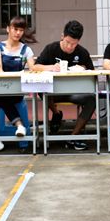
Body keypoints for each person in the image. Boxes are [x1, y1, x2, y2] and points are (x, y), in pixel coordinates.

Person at [32, 20, 96, 151]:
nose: (70, 47)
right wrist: (51, 67)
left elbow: (93, 73)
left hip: (74, 93)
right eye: (67, 42)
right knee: (42, 90)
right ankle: (56, 114)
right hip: (53, 92)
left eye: (74, 44)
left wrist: (83, 69)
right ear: (62, 36)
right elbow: (35, 67)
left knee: (91, 100)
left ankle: (73, 137)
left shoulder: (82, 53)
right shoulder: (51, 49)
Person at [0, 16, 36, 152]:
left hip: (17, 90)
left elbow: (32, 68)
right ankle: (19, 125)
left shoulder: (26, 50)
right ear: (8, 29)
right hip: (1, 86)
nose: (18, 33)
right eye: (15, 29)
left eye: (21, 30)